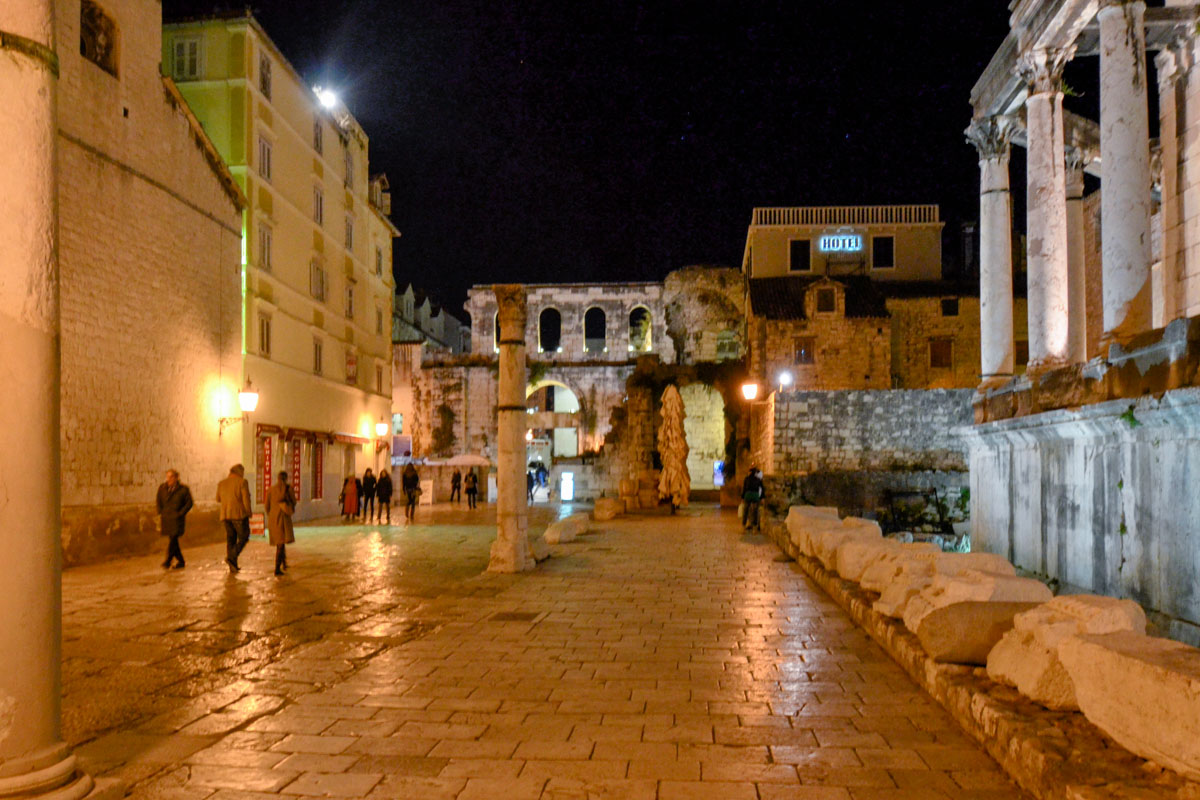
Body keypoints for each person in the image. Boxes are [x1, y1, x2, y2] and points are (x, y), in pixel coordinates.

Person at [216, 464, 252, 573]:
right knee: (244, 537)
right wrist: (249, 512)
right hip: (239, 515)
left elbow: (218, 499)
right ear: (239, 472)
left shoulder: (221, 483)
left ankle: (233, 565)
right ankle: (232, 557)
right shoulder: (242, 482)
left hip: (225, 515)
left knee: (231, 539)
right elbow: (246, 499)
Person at [156, 468, 193, 569]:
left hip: (177, 519)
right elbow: (158, 500)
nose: (169, 479)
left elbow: (189, 503)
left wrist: (181, 513)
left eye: (171, 477)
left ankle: (168, 560)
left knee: (173, 538)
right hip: (166, 518)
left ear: (176, 477)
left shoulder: (183, 489)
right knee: (173, 539)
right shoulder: (162, 488)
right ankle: (181, 561)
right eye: (168, 477)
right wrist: (160, 512)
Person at [266, 471, 295, 576]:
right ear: (286, 478)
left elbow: (267, 506)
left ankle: (284, 563)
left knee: (280, 541)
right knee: (281, 543)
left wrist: (272, 513)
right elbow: (294, 502)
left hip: (273, 518)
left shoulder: (270, 490)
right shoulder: (288, 489)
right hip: (283, 518)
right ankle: (277, 568)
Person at [741, 466, 766, 532]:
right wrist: (762, 497)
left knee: (745, 511)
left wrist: (742, 497)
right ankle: (754, 528)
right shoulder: (758, 480)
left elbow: (744, 489)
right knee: (755, 511)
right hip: (755, 495)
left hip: (748, 495)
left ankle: (743, 526)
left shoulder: (746, 479)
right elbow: (762, 489)